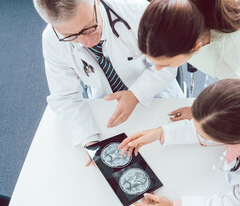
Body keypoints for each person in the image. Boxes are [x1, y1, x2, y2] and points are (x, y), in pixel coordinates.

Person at [33, 0, 184, 165]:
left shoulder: (138, 11)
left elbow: (169, 64)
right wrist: (88, 140)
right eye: (71, 36)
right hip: (107, 110)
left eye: (89, 27)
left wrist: (135, 94)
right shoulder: (52, 40)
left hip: (158, 98)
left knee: (170, 161)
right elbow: (65, 97)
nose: (87, 42)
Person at [138, 0, 240, 122]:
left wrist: (202, 110)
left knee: (225, 87)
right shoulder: (176, 12)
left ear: (196, 47)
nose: (156, 68)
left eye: (165, 64)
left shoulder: (236, 57)